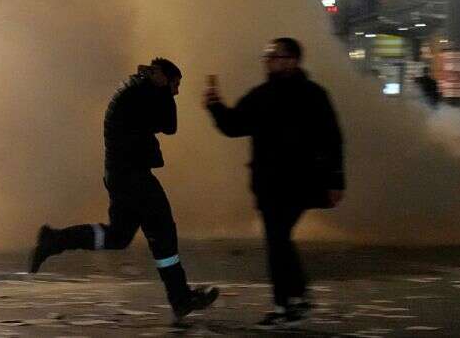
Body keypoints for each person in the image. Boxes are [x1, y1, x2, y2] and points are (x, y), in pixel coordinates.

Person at [28, 58, 218, 322]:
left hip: (121, 175)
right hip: (133, 175)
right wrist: (162, 89)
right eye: (175, 84)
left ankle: (54, 240)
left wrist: (159, 86)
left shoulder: (137, 89)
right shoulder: (143, 92)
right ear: (162, 76)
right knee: (162, 230)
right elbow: (170, 125)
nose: (176, 91)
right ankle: (180, 298)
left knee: (118, 236)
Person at [203, 37, 345, 327]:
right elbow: (235, 125)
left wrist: (335, 180)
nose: (269, 61)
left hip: (300, 180)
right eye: (267, 56)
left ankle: (285, 305)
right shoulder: (261, 95)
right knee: (280, 240)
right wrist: (216, 106)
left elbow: (332, 139)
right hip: (269, 182)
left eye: (275, 56)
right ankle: (297, 298)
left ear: (293, 60)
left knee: (278, 239)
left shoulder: (313, 96)